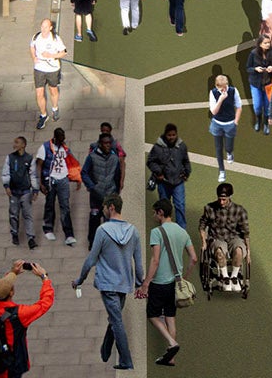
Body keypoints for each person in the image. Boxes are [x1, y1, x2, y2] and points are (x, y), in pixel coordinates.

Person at [73, 202, 143, 372]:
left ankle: (126, 360)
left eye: (104, 208)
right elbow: (138, 263)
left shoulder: (102, 231)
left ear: (111, 207)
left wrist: (79, 280)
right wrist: (139, 284)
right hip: (124, 285)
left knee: (117, 321)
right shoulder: (133, 232)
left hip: (108, 284)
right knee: (115, 317)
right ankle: (105, 351)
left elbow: (91, 259)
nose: (103, 211)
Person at [0, 263, 55, 378]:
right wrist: (44, 277)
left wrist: (13, 273)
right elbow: (45, 303)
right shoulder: (18, 314)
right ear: (11, 293)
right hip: (11, 363)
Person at [142, 200, 194, 366]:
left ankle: (172, 343)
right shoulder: (182, 232)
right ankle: (170, 358)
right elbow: (193, 258)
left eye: (154, 213)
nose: (153, 216)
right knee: (170, 317)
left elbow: (155, 260)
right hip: (175, 282)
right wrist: (184, 277)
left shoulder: (157, 232)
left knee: (152, 315)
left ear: (160, 213)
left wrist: (146, 283)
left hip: (159, 282)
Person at [197, 181, 250, 288]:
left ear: (230, 197)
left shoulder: (239, 210)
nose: (221, 202)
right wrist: (203, 242)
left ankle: (234, 277)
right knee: (219, 252)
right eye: (219, 199)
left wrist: (248, 252)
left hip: (234, 238)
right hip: (217, 238)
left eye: (224, 200)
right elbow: (202, 226)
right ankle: (225, 277)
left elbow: (245, 233)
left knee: (239, 251)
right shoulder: (209, 208)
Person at [147, 125, 191, 229]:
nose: (171, 137)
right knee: (164, 206)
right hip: (164, 182)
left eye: (173, 135)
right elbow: (150, 161)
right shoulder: (158, 148)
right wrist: (158, 172)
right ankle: (165, 225)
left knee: (180, 205)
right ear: (165, 135)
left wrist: (186, 173)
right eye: (169, 135)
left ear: (176, 134)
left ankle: (181, 228)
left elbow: (186, 161)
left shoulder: (182, 147)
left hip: (178, 182)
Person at [39, 130, 77, 245]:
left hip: (63, 179)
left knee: (65, 206)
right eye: (60, 138)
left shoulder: (64, 148)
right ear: (55, 137)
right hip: (51, 179)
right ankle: (48, 229)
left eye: (63, 138)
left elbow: (70, 162)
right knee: (50, 204)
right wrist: (40, 183)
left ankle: (69, 234)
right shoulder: (45, 147)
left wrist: (76, 177)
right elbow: (39, 165)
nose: (62, 140)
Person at [2, 137, 40, 247]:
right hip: (13, 192)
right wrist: (6, 186)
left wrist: (35, 189)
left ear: (23, 145)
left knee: (27, 215)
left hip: (25, 192)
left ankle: (31, 238)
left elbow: (33, 175)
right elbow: (5, 172)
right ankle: (14, 233)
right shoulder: (10, 158)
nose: (14, 144)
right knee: (13, 214)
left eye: (17, 142)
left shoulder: (29, 158)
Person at [30, 21, 67, 130]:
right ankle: (43, 115)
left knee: (53, 90)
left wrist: (51, 55)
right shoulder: (36, 37)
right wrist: (34, 58)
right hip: (39, 68)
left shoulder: (55, 39)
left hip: (52, 68)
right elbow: (32, 47)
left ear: (50, 28)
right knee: (39, 92)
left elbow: (63, 52)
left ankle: (55, 108)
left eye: (46, 27)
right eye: (42, 26)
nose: (43, 29)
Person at [82, 130, 124, 222]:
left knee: (109, 223)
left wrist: (116, 192)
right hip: (96, 197)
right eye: (105, 143)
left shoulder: (114, 158)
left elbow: (117, 175)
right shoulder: (92, 157)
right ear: (100, 144)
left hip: (110, 196)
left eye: (109, 143)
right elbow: (84, 172)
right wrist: (92, 186)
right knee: (94, 222)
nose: (108, 145)